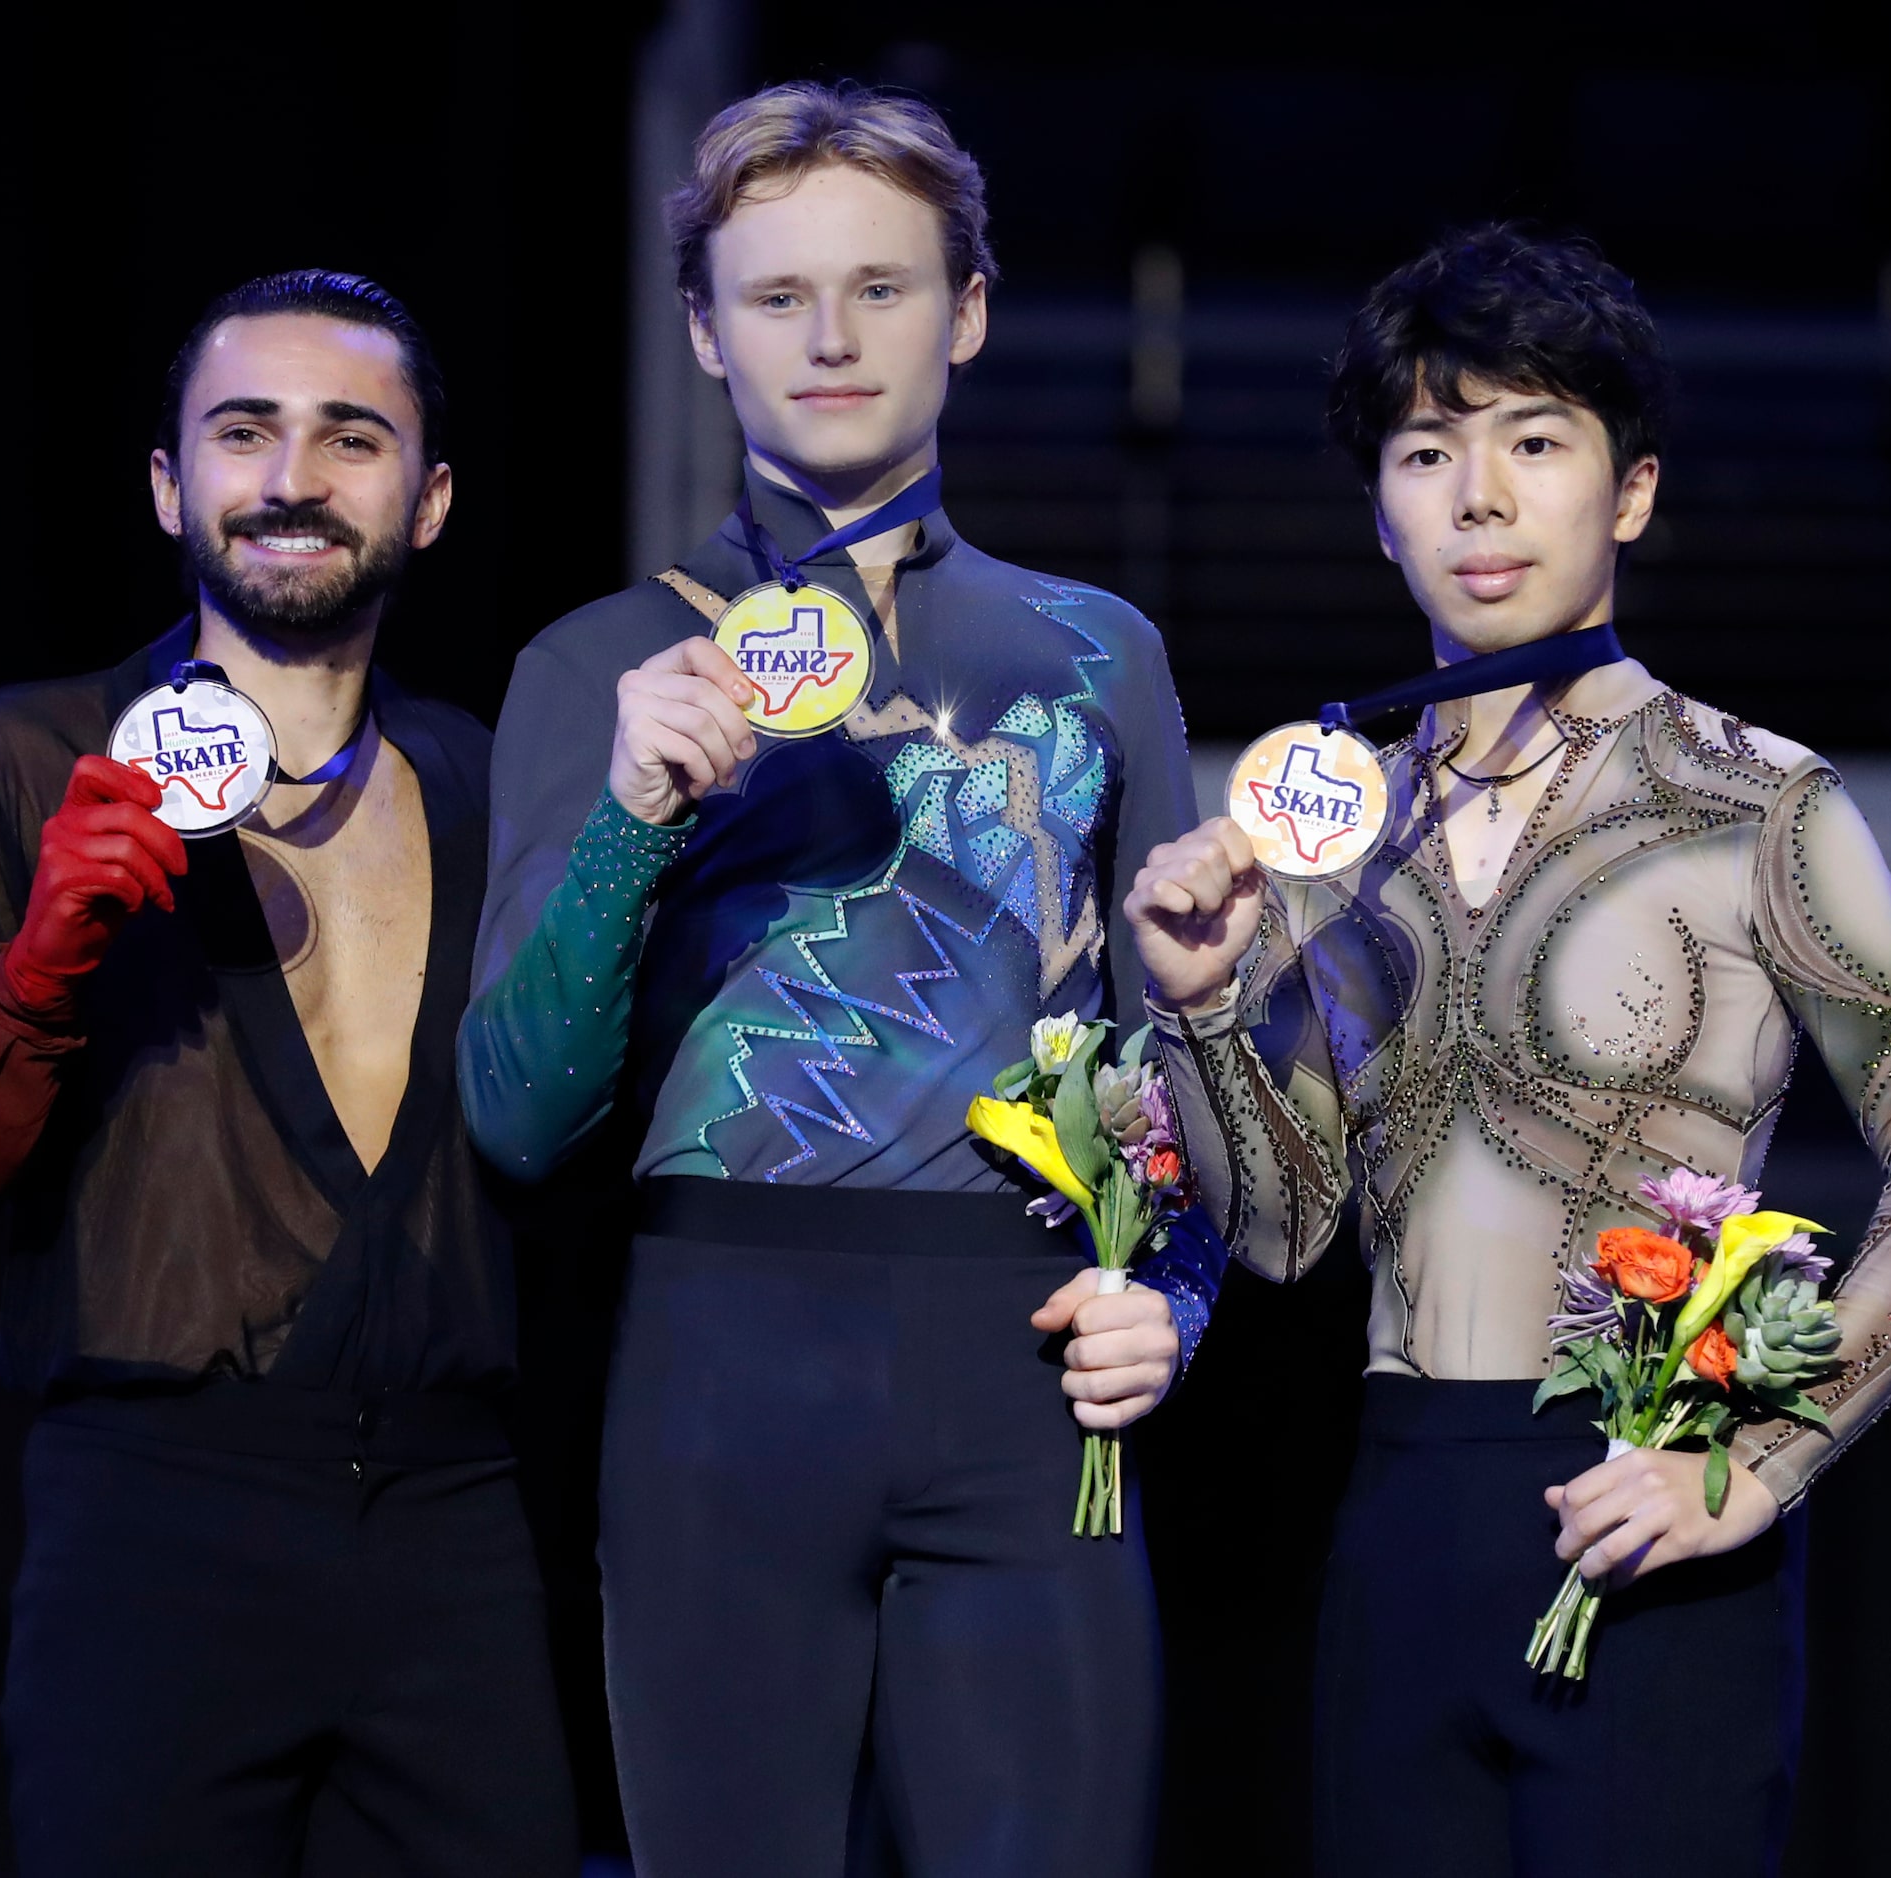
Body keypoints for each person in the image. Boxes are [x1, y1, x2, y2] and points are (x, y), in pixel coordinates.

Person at [1123, 226, 1891, 1877]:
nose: (1477, 494)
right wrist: (1195, 1001)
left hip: (1644, 1509)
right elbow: (1283, 1226)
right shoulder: (1330, 838)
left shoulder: (1759, 800)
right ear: (1379, 510)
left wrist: (1751, 1461)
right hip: (1395, 1520)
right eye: (1424, 450)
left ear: (1629, 492)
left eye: (1532, 440)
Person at [458, 81, 1219, 1878]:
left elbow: (1169, 1059)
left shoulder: (1099, 653)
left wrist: (1176, 1292)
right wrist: (638, 818)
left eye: (879, 288)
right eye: (777, 295)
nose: (827, 335)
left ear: (962, 313)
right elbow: (512, 1112)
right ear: (704, 332)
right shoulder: (602, 661)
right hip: (718, 1370)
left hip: (1026, 1369)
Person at [0, 271, 574, 1877]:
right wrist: (37, 964)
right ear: (172, 482)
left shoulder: (492, 769)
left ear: (430, 498)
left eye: (349, 437)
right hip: (155, 1517)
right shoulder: (25, 756)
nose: (294, 478)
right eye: (244, 433)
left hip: (454, 1519)